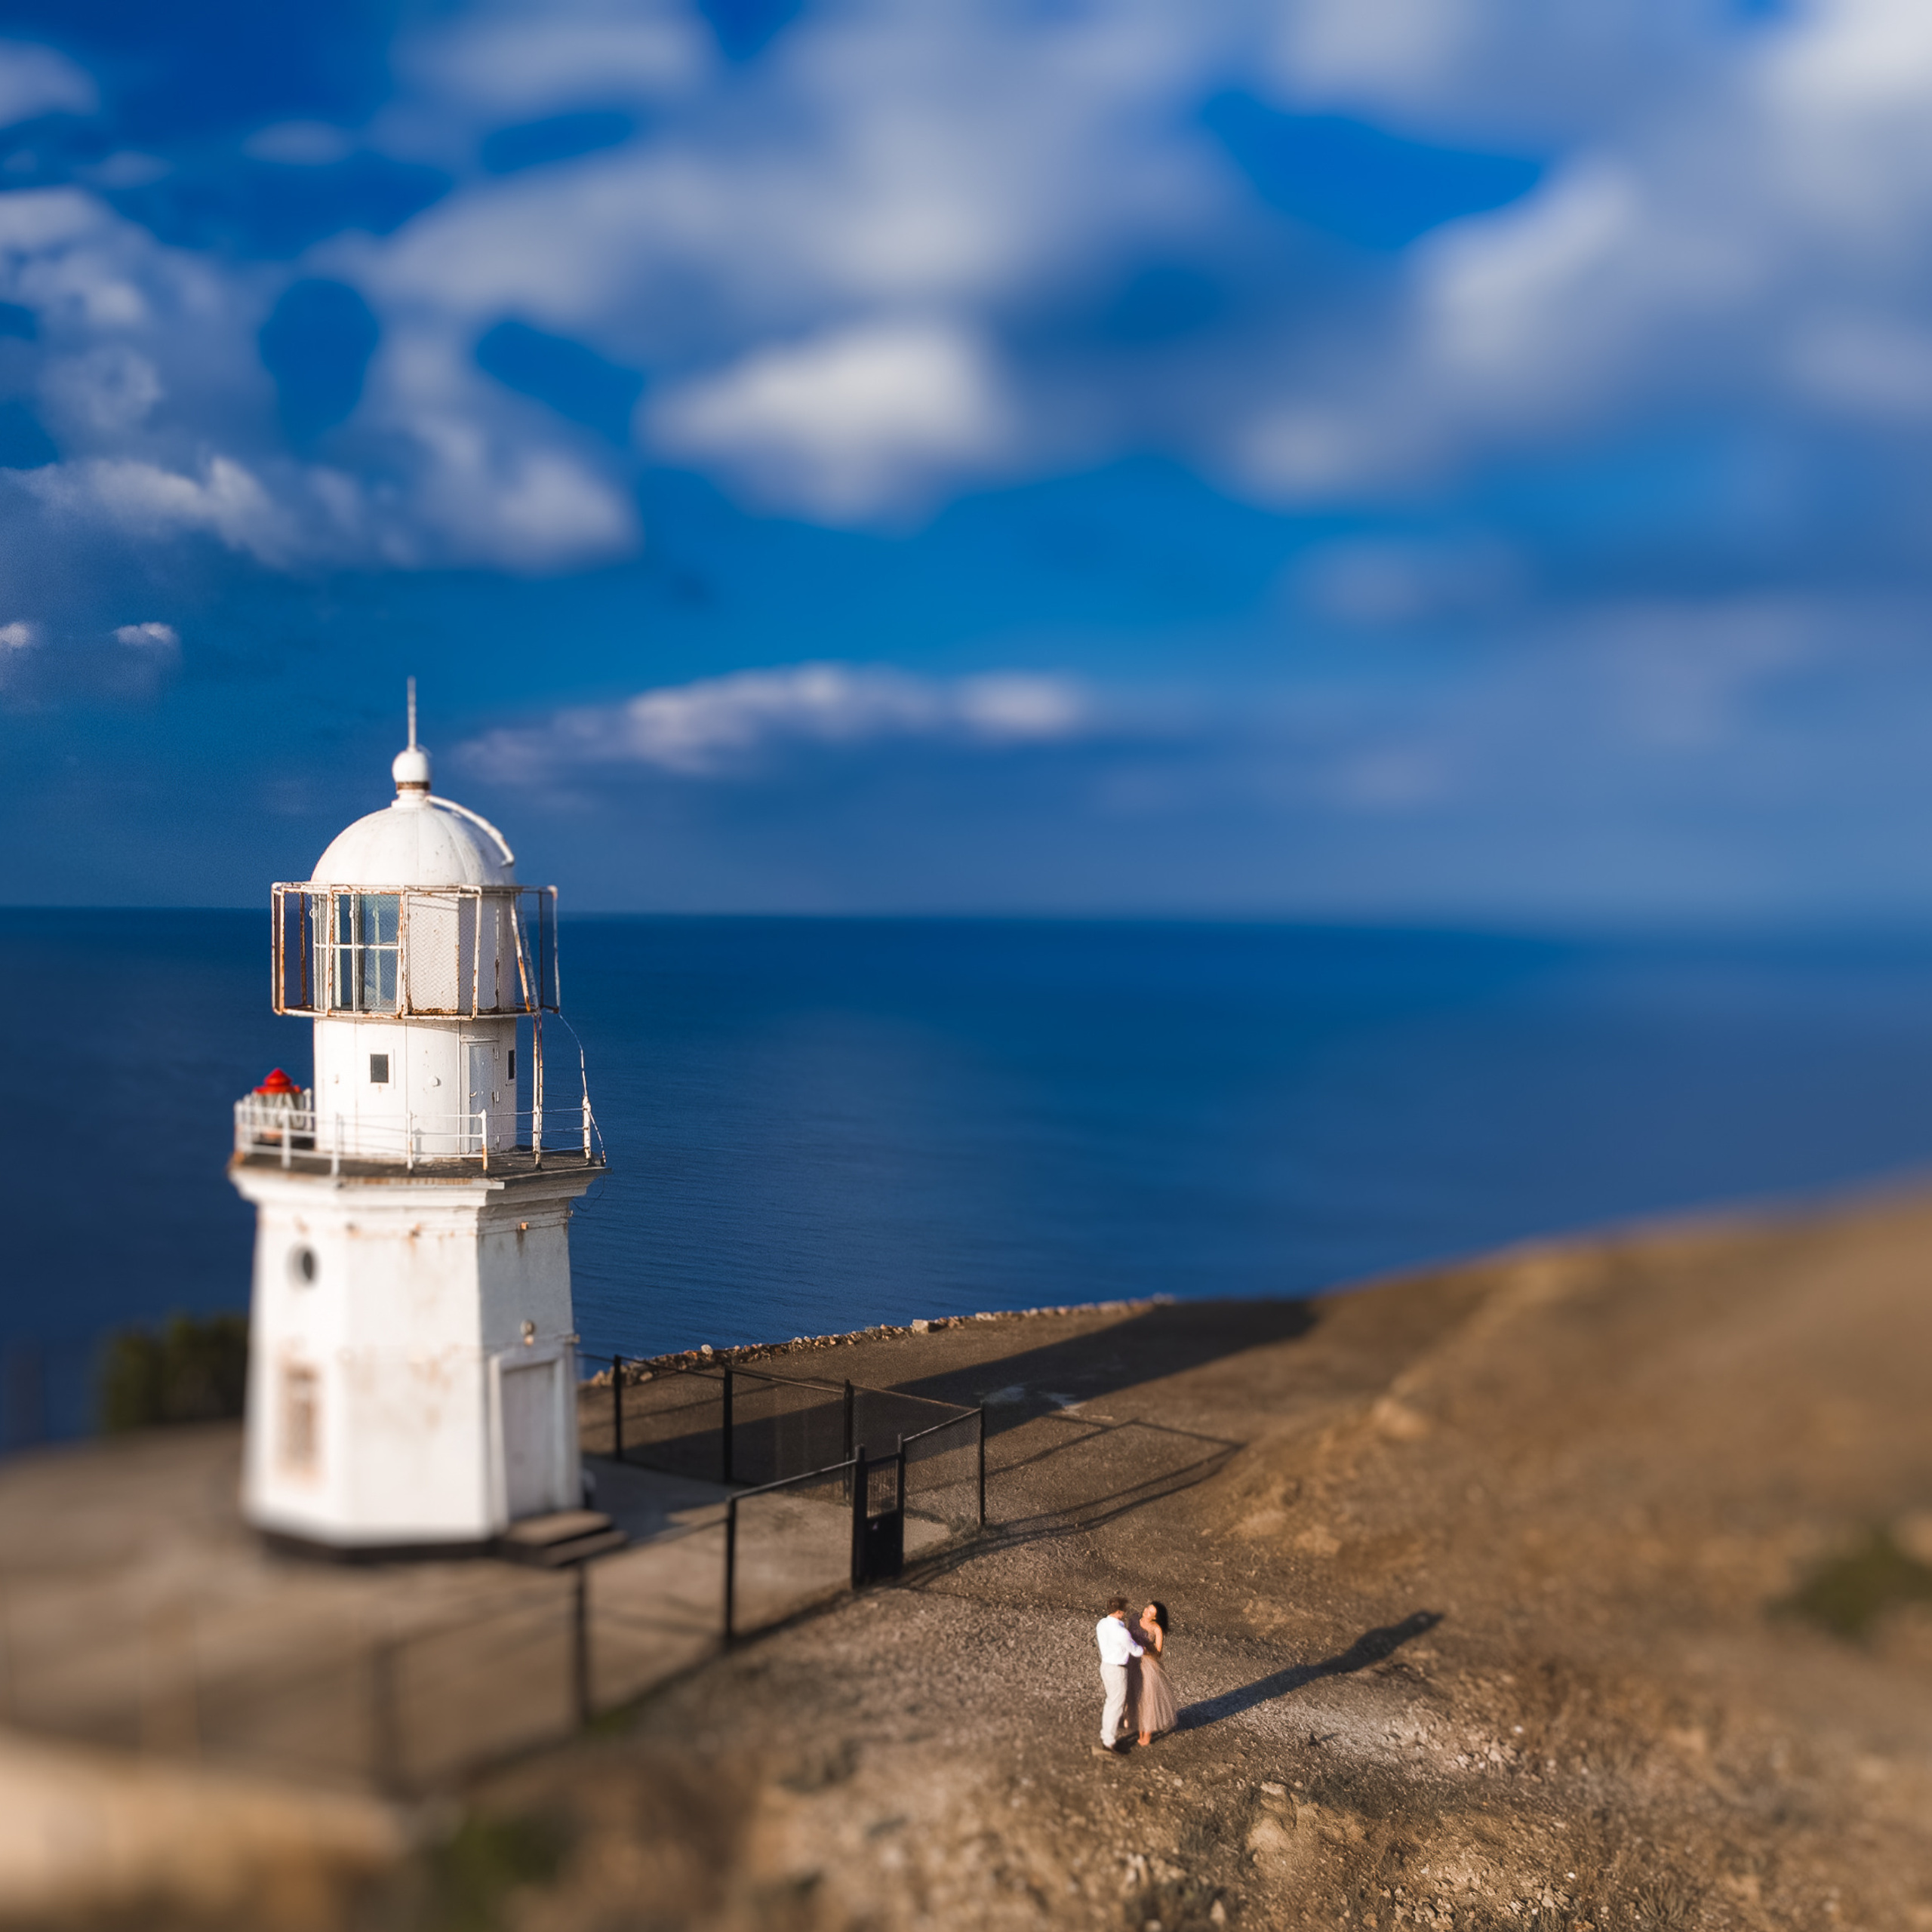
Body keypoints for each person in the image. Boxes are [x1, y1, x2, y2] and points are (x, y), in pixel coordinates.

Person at [1093, 1596, 1143, 1754]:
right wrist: (1144, 1648)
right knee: (1116, 1706)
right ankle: (1109, 1742)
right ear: (1120, 1612)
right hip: (1118, 1670)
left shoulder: (1101, 1624)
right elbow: (1136, 1651)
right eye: (1124, 1611)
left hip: (1106, 1666)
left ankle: (1106, 1737)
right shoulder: (1122, 1633)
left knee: (1110, 1703)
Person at [1133, 1601, 1177, 1746]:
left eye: (1151, 1612)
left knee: (1148, 1700)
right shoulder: (1137, 1620)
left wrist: (1147, 1650)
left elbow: (1159, 1653)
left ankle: (1147, 1735)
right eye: (1147, 1608)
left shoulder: (1157, 1629)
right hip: (1134, 1663)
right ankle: (1141, 1730)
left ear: (1156, 1618)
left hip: (1148, 1666)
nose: (1146, 1611)